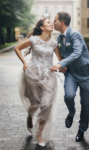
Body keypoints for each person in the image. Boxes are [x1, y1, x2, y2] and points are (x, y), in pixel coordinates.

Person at [14, 18, 67, 147]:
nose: (51, 24)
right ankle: (30, 116)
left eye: (51, 22)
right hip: (33, 73)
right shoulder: (33, 40)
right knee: (35, 103)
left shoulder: (54, 43)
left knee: (47, 104)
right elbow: (17, 48)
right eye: (48, 22)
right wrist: (25, 62)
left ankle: (39, 133)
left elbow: (60, 60)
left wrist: (61, 66)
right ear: (42, 27)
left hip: (49, 75)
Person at [51, 12, 89, 142]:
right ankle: (71, 113)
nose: (53, 23)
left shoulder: (75, 34)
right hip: (71, 73)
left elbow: (77, 52)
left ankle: (82, 130)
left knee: (86, 104)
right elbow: (64, 54)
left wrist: (60, 64)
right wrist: (63, 66)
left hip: (86, 74)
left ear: (61, 22)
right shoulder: (59, 38)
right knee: (69, 96)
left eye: (54, 20)